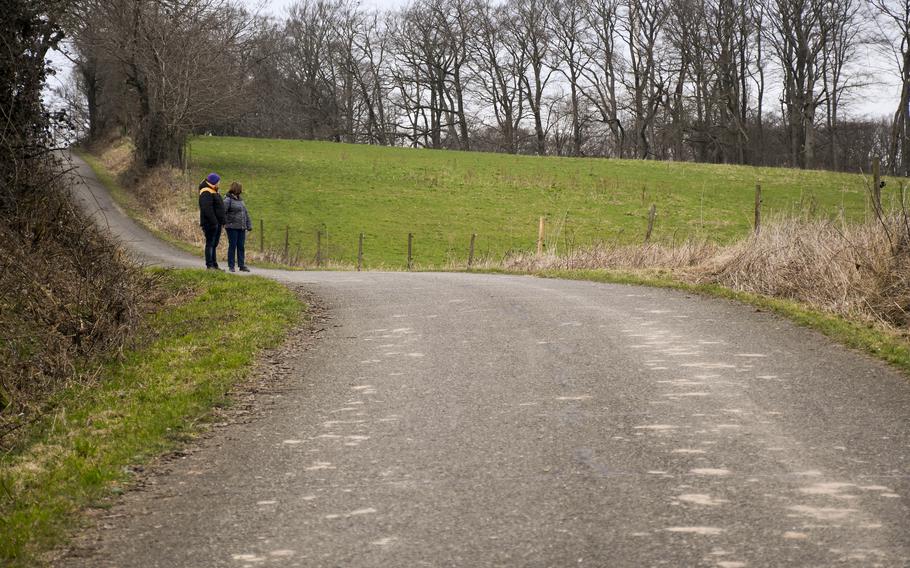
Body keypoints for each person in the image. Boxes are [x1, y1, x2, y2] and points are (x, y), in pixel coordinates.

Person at [198, 172, 226, 270]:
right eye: (218, 181)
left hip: (217, 223)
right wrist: (214, 222)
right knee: (210, 244)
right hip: (210, 223)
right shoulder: (206, 191)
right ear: (214, 181)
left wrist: (222, 221)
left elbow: (219, 207)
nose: (219, 183)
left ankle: (215, 265)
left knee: (214, 244)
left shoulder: (214, 190)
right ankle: (209, 265)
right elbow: (207, 208)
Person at [223, 181, 253, 272]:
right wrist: (227, 222)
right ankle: (231, 266)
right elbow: (223, 212)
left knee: (241, 246)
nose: (241, 190)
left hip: (241, 227)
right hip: (232, 227)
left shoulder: (240, 200)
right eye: (240, 188)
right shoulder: (227, 200)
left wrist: (249, 224)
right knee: (232, 246)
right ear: (236, 189)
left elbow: (245, 213)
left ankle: (241, 265)